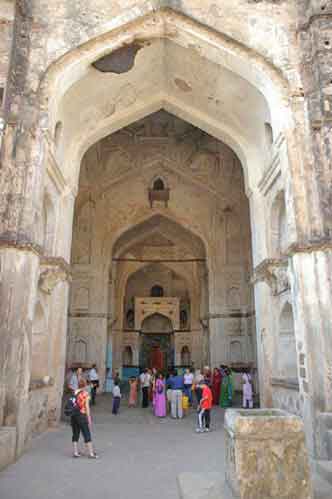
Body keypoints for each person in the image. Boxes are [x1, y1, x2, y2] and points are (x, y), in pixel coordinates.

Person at [71, 378, 98, 458]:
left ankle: (75, 452)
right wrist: (89, 418)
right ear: (85, 385)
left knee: (75, 434)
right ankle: (91, 453)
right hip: (82, 415)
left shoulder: (75, 392)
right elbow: (87, 407)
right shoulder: (86, 394)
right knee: (86, 433)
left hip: (74, 415)